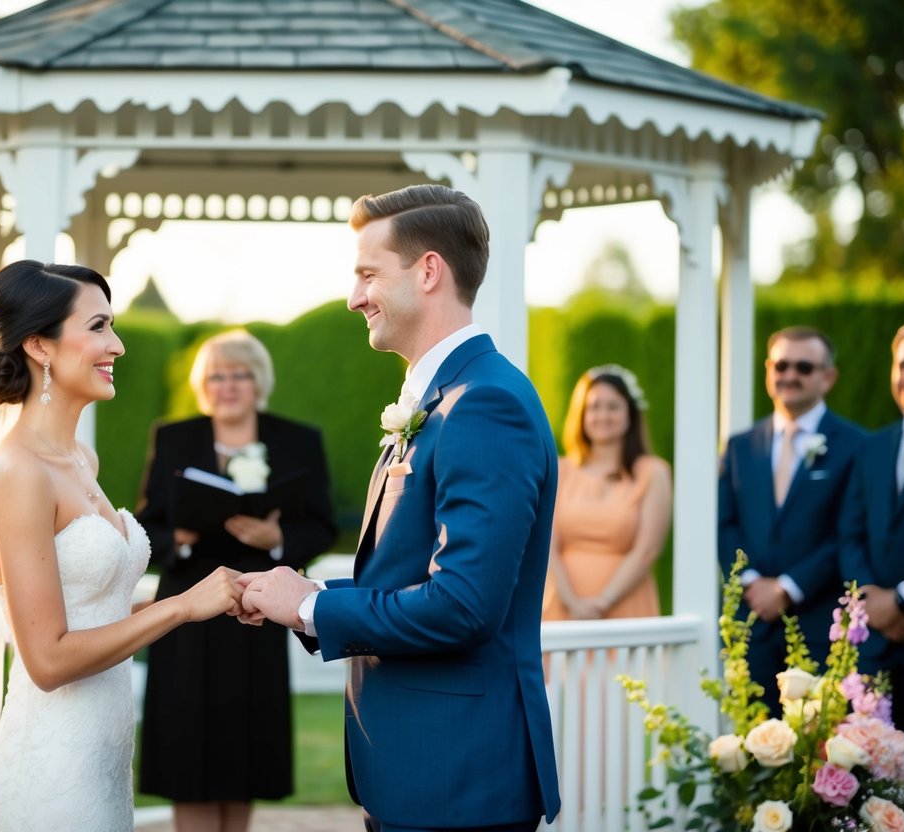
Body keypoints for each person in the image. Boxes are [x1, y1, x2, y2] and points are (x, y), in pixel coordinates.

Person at [238, 185, 560, 832]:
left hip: (456, 778)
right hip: (420, 771)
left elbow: (463, 606)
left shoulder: (484, 404)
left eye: (368, 274)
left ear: (429, 271)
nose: (354, 298)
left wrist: (309, 609)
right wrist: (305, 595)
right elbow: (406, 574)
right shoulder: (442, 399)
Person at [0, 260, 244, 832]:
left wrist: (215, 596)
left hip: (102, 758)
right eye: (98, 327)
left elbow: (93, 606)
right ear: (40, 345)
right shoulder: (18, 473)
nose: (118, 345)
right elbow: (48, 659)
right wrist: (181, 607)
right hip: (52, 769)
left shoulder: (82, 459)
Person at [136, 329, 337, 832]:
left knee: (246, 747)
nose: (227, 386)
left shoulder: (297, 440)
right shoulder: (174, 438)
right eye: (217, 376)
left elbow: (322, 524)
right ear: (203, 385)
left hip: (257, 612)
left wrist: (277, 538)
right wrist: (180, 538)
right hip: (186, 613)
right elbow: (146, 527)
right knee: (189, 751)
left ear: (258, 381)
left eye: (240, 375)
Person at [719, 326, 865, 715]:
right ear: (768, 370)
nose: (790, 375)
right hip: (751, 624)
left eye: (804, 367)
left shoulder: (856, 446)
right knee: (751, 740)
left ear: (827, 377)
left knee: (820, 742)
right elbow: (725, 524)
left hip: (819, 624)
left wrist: (787, 587)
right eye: (781, 365)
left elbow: (849, 532)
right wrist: (751, 582)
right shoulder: (739, 446)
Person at [542, 365, 670, 622]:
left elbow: (647, 550)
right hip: (563, 608)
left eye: (613, 407)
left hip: (625, 609)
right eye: (594, 407)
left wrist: (603, 602)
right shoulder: (560, 470)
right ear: (581, 414)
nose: (603, 415)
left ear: (630, 414)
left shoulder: (652, 472)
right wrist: (572, 602)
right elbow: (547, 545)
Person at [840, 322, 904, 729]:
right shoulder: (873, 446)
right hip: (875, 648)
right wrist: (870, 599)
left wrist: (901, 600)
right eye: (903, 365)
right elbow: (850, 534)